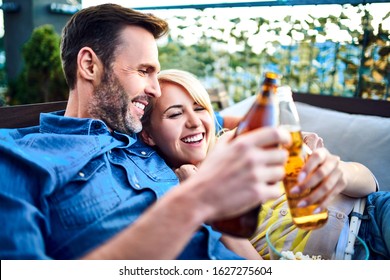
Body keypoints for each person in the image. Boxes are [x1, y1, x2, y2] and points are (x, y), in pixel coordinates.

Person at [0, 3, 293, 260]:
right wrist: (193, 202)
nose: (155, 89)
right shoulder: (18, 157)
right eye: (144, 71)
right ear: (90, 65)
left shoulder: (140, 131)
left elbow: (204, 119)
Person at [140, 69, 389, 260]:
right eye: (175, 114)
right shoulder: (175, 191)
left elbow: (370, 184)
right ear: (148, 135)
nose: (194, 122)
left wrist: (339, 174)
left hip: (374, 213)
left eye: (199, 108)